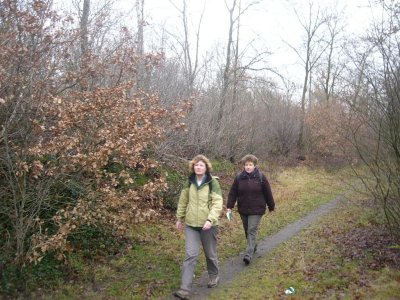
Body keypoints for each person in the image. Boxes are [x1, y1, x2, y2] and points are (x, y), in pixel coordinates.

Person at [173, 155, 223, 300]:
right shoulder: (189, 182)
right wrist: (179, 218)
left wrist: (210, 219)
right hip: (191, 225)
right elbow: (183, 201)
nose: (198, 167)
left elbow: (217, 203)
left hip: (208, 226)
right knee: (190, 255)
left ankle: (214, 276)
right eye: (196, 165)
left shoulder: (212, 182)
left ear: (206, 167)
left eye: (201, 165)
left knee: (210, 254)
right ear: (193, 167)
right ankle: (184, 288)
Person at [227, 154, 275, 265]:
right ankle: (253, 246)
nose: (248, 167)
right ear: (243, 166)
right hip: (243, 209)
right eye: (246, 165)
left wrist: (271, 206)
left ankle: (248, 254)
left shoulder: (261, 177)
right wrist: (229, 206)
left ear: (254, 165)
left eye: (250, 164)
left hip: (257, 209)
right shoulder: (239, 178)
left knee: (251, 230)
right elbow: (233, 193)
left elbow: (268, 193)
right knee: (247, 230)